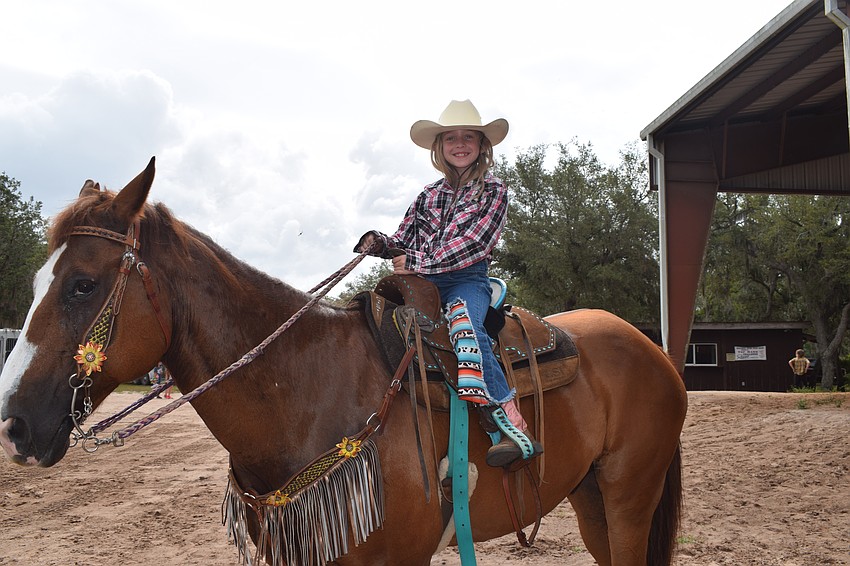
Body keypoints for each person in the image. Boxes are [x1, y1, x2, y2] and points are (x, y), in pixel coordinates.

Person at [355, 99, 542, 467]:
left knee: (464, 326)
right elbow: (405, 240)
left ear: (482, 146)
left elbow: (475, 244)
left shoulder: (494, 191)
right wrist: (380, 244)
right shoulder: (427, 196)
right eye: (451, 138)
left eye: (468, 137)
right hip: (422, 282)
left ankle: (511, 427)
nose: (460, 144)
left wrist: (417, 261)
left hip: (465, 280)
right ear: (439, 147)